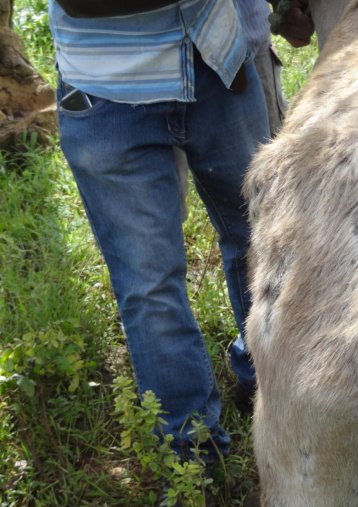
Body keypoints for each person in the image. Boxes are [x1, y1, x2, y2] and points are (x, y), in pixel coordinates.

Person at [48, 0, 312, 503]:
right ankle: (196, 462)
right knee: (149, 286)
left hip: (217, 66)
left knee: (261, 246)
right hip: (108, 94)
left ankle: (280, 405)